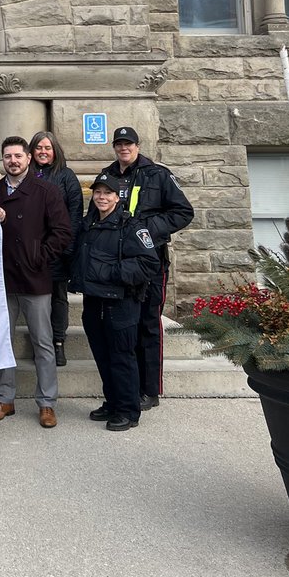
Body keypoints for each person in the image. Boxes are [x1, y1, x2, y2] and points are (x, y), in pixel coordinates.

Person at [0, 136, 72, 429]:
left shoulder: (47, 191)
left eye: (18, 156)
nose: (13, 161)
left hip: (35, 278)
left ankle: (47, 403)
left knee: (42, 342)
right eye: (7, 157)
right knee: (1, 341)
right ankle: (4, 398)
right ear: (1, 160)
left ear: (28, 159)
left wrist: (38, 256)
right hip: (2, 278)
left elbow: (61, 232)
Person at [106, 125, 194, 409]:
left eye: (128, 144)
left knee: (147, 325)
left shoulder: (158, 174)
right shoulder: (107, 176)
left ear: (137, 146)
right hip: (120, 263)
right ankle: (127, 387)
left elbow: (183, 212)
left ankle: (150, 390)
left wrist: (146, 228)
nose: (124, 149)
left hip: (151, 261)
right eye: (119, 144)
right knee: (123, 326)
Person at [70, 172, 161, 431]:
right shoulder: (89, 225)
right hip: (93, 302)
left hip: (120, 303)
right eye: (97, 192)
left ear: (117, 197)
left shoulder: (132, 226)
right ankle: (112, 402)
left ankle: (128, 410)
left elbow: (148, 263)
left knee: (122, 357)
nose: (101, 197)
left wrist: (112, 274)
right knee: (102, 355)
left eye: (107, 193)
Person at [29, 129, 83, 367]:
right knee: (35, 299)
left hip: (58, 250)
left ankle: (58, 342)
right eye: (39, 148)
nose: (43, 152)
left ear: (55, 151)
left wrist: (67, 247)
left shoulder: (66, 176)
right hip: (31, 250)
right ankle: (39, 342)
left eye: (47, 148)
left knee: (58, 298)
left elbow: (75, 213)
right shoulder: (26, 175)